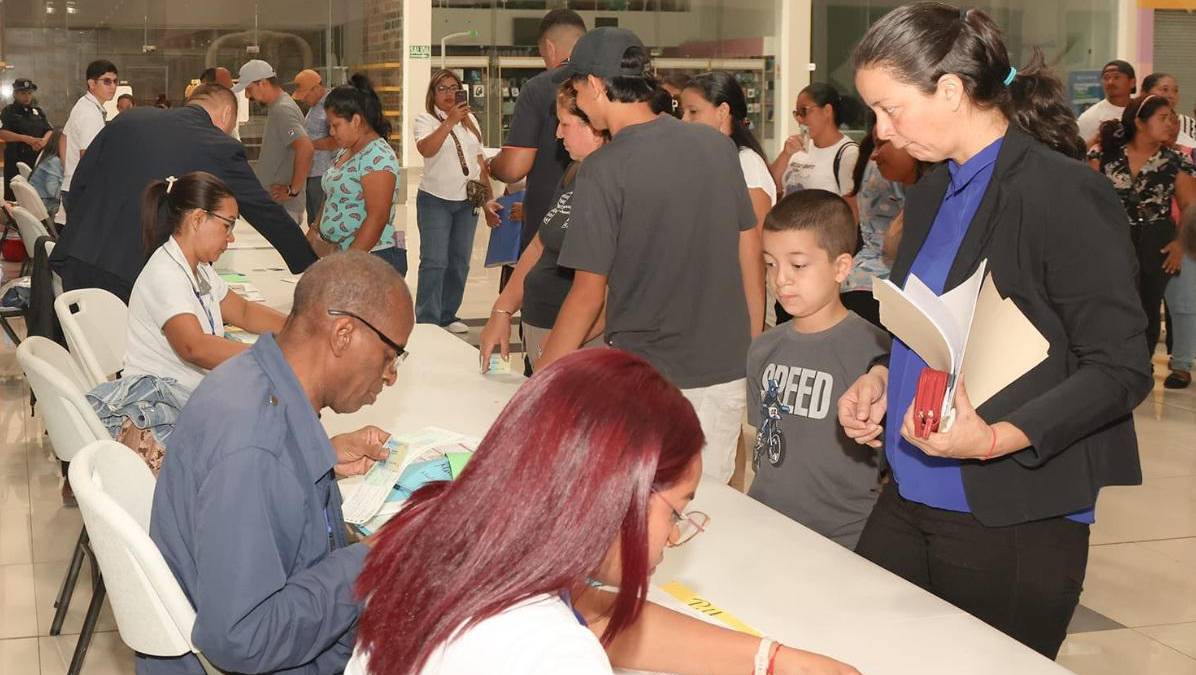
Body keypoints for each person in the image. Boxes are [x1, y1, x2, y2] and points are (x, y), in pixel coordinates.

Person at [838, 3, 1152, 660]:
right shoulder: (933, 191)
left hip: (1012, 510)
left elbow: (1120, 367)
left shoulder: (1060, 192)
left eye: (891, 109)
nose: (882, 131)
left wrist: (994, 438)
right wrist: (882, 377)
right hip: (911, 489)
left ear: (951, 90)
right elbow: (935, 324)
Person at [349, 348, 860, 675]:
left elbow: (593, 612)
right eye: (676, 513)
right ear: (615, 498)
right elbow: (572, 632)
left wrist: (772, 659)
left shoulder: (438, 542)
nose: (674, 537)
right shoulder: (553, 652)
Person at [146, 250, 411, 674]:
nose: (391, 375)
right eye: (390, 355)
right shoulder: (256, 448)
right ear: (343, 334)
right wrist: (369, 558)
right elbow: (242, 640)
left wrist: (321, 455)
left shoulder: (250, 375)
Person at [537, 27, 763, 485]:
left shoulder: (603, 168)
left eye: (577, 88)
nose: (578, 100)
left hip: (649, 378)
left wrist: (541, 380)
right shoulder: (716, 146)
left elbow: (587, 295)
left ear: (596, 85)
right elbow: (749, 251)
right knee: (706, 506)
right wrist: (750, 345)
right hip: (724, 371)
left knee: (647, 505)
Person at [88, 172, 286, 474]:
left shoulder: (199, 269)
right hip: (163, 413)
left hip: (191, 399)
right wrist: (271, 355)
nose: (231, 238)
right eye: (227, 225)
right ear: (197, 219)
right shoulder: (165, 273)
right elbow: (193, 347)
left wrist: (298, 329)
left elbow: (244, 312)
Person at [50, 84, 317, 302]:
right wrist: (311, 267)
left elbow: (80, 181)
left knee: (89, 347)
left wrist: (81, 230)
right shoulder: (218, 145)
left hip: (78, 258)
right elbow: (264, 211)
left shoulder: (128, 119)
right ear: (226, 114)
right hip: (134, 276)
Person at [748, 190, 889, 549]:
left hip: (843, 538)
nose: (781, 279)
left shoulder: (876, 353)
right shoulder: (763, 349)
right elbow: (764, 442)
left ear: (841, 267)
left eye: (797, 265)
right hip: (765, 523)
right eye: (770, 264)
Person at [478, 81, 608, 371]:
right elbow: (540, 244)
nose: (557, 133)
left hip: (578, 346)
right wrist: (502, 310)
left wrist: (559, 348)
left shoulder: (614, 185)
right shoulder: (576, 173)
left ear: (595, 128)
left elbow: (612, 292)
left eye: (565, 124)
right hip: (547, 334)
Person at [1088, 95, 1196, 359]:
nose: (1171, 124)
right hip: (1112, 240)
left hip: (1157, 241)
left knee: (1148, 307)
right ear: (1139, 122)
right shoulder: (1103, 155)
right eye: (1163, 118)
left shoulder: (1176, 160)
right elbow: (1086, 202)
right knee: (1111, 305)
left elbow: (1190, 207)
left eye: (1172, 118)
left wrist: (1179, 245)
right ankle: (1110, 363)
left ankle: (1142, 365)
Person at [680, 71, 774, 332]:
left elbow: (756, 252)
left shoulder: (747, 164)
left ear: (722, 112)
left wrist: (754, 332)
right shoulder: (705, 164)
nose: (684, 120)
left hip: (742, 304)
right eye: (683, 112)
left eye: (693, 112)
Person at [488, 9, 585, 255]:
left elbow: (513, 168)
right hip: (596, 224)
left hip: (546, 227)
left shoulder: (539, 88)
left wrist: (491, 165)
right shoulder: (605, 84)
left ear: (550, 48)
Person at [413, 69, 499, 333]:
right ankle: (427, 318)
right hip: (435, 200)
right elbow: (426, 149)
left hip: (467, 202)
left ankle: (448, 314)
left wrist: (488, 201)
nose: (449, 93)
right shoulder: (426, 119)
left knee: (460, 261)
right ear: (433, 94)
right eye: (442, 88)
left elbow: (479, 163)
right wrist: (449, 122)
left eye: (453, 88)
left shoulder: (470, 120)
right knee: (435, 260)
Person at [309, 75, 406, 275]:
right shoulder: (347, 150)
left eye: (335, 125)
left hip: (370, 259)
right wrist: (316, 229)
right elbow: (332, 194)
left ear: (355, 121)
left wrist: (349, 262)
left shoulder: (377, 157)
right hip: (341, 254)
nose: (331, 132)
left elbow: (377, 218)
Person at [840, 114, 922, 328]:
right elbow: (894, 246)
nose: (876, 155)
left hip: (859, 281)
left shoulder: (874, 162)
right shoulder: (905, 176)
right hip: (881, 287)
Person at [235, 59, 314, 225]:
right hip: (279, 204)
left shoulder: (282, 110)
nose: (247, 96)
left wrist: (292, 191)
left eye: (249, 89)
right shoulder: (278, 107)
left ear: (263, 83)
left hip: (284, 206)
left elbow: (305, 147)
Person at [769, 82, 861, 201]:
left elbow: (852, 207)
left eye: (804, 111)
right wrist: (785, 154)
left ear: (827, 110)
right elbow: (771, 186)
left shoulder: (848, 153)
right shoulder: (798, 147)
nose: (799, 119)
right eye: (796, 113)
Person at [57, 59, 118, 229]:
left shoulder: (83, 104)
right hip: (84, 190)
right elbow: (89, 157)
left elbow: (63, 139)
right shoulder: (90, 114)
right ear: (92, 84)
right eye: (107, 81)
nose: (113, 86)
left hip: (73, 185)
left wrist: (69, 171)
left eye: (115, 81)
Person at [292, 68, 337, 226]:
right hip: (312, 171)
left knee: (320, 220)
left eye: (306, 95)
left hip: (322, 172)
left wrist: (307, 144)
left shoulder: (331, 106)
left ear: (316, 88)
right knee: (313, 218)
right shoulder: (315, 106)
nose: (304, 99)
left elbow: (336, 141)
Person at [0, 78, 53, 200]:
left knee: (37, 198)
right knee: (16, 198)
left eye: (29, 93)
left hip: (37, 161)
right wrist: (25, 139)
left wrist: (43, 141)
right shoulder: (8, 111)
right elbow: (2, 133)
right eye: (23, 93)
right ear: (15, 94)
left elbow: (49, 130)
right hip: (16, 162)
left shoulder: (37, 111)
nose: (27, 96)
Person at [1076, 59, 1136, 146]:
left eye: (1117, 77)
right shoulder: (1089, 117)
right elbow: (1081, 150)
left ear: (1132, 82)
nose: (1110, 82)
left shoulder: (1141, 110)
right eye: (1106, 78)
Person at [1142, 72, 1196, 147]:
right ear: (1144, 93)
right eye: (1165, 89)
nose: (1171, 96)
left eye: (1175, 91)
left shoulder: (1189, 123)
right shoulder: (1135, 120)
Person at [29, 128, 65, 218]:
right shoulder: (53, 161)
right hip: (47, 206)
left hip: (40, 204)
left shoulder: (48, 157)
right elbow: (53, 191)